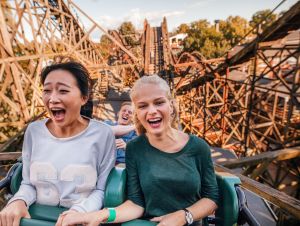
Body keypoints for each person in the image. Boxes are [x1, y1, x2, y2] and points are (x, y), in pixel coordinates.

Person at [58, 74, 219, 226]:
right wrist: (97, 215)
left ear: (171, 106)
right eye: (143, 106)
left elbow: (211, 198)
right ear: (138, 113)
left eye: (159, 102)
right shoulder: (135, 148)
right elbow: (136, 204)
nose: (151, 110)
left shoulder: (198, 147)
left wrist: (183, 216)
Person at [0, 60, 116, 226]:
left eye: (63, 91)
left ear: (84, 97)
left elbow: (101, 190)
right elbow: (28, 184)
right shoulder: (34, 131)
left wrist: (79, 212)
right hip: (35, 219)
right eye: (47, 90)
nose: (52, 99)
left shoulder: (102, 134)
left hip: (80, 220)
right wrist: (19, 200)